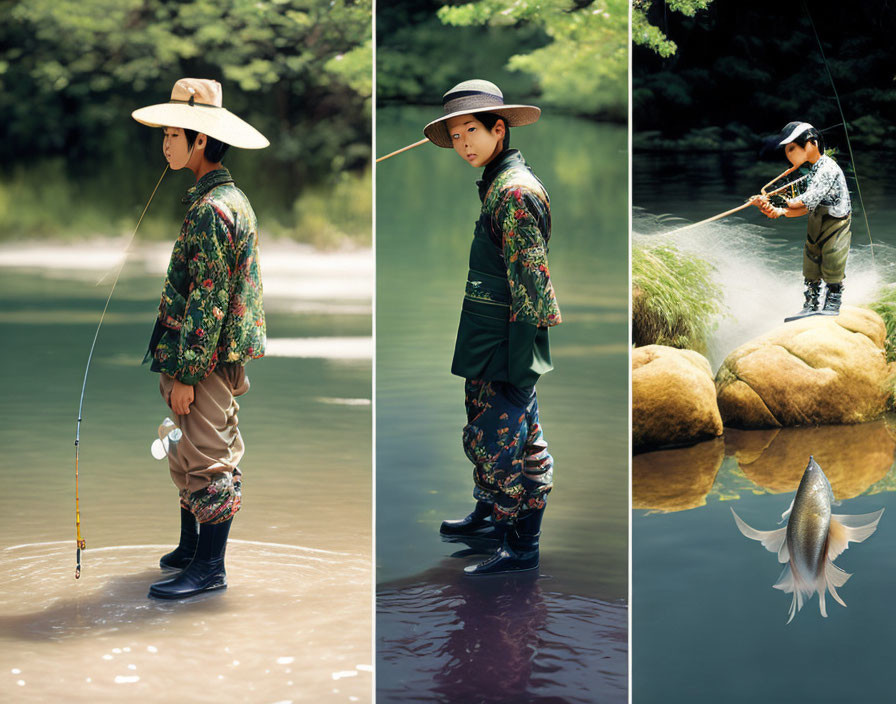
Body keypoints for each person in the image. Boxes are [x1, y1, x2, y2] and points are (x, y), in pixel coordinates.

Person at [132, 78, 268, 598]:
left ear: (201, 141)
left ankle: (209, 569)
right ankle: (192, 550)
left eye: (174, 133)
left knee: (207, 455)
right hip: (202, 355)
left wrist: (188, 374)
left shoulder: (215, 209)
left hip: (202, 359)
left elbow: (208, 302)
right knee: (185, 451)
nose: (166, 144)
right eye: (166, 133)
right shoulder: (222, 198)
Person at [423, 79, 562, 576]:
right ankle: (490, 517)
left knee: (503, 442)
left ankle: (520, 546)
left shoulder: (516, 192)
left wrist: (521, 370)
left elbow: (534, 292)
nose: (462, 144)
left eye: (470, 132)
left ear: (497, 129)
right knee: (497, 432)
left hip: (508, 345)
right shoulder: (497, 185)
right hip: (488, 338)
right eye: (456, 135)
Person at [752, 121, 852, 321]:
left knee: (833, 255)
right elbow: (806, 208)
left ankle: (832, 302)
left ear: (812, 143)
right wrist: (778, 211)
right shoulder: (813, 171)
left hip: (835, 220)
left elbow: (805, 200)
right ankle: (811, 303)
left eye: (792, 149)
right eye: (787, 151)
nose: (789, 155)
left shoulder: (828, 169)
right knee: (811, 260)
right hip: (817, 217)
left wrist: (777, 200)